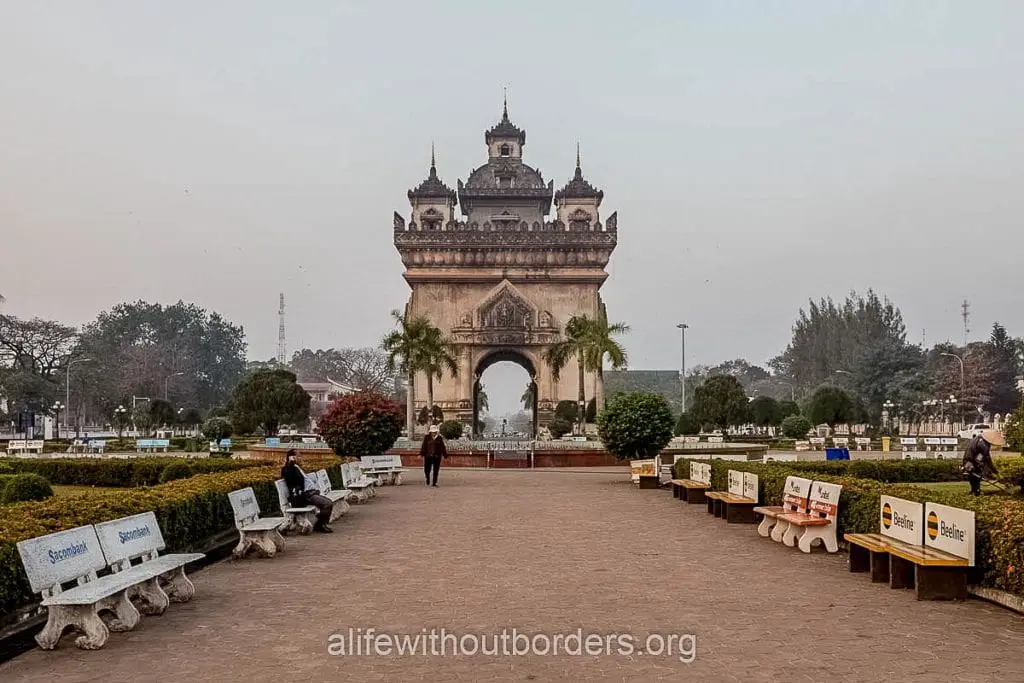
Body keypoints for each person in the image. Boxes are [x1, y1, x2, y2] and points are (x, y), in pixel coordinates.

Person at [281, 449, 334, 532]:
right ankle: (320, 524)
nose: (300, 458)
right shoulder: (288, 469)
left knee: (328, 502)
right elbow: (289, 478)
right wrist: (290, 463)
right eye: (298, 456)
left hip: (310, 493)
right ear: (292, 457)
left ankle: (320, 523)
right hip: (305, 496)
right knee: (327, 504)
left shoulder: (297, 467)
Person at [962, 429, 1002, 496]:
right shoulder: (983, 445)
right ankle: (976, 492)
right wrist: (996, 472)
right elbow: (987, 459)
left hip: (968, 460)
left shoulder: (978, 438)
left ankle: (973, 491)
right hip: (972, 462)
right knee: (976, 478)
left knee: (972, 477)